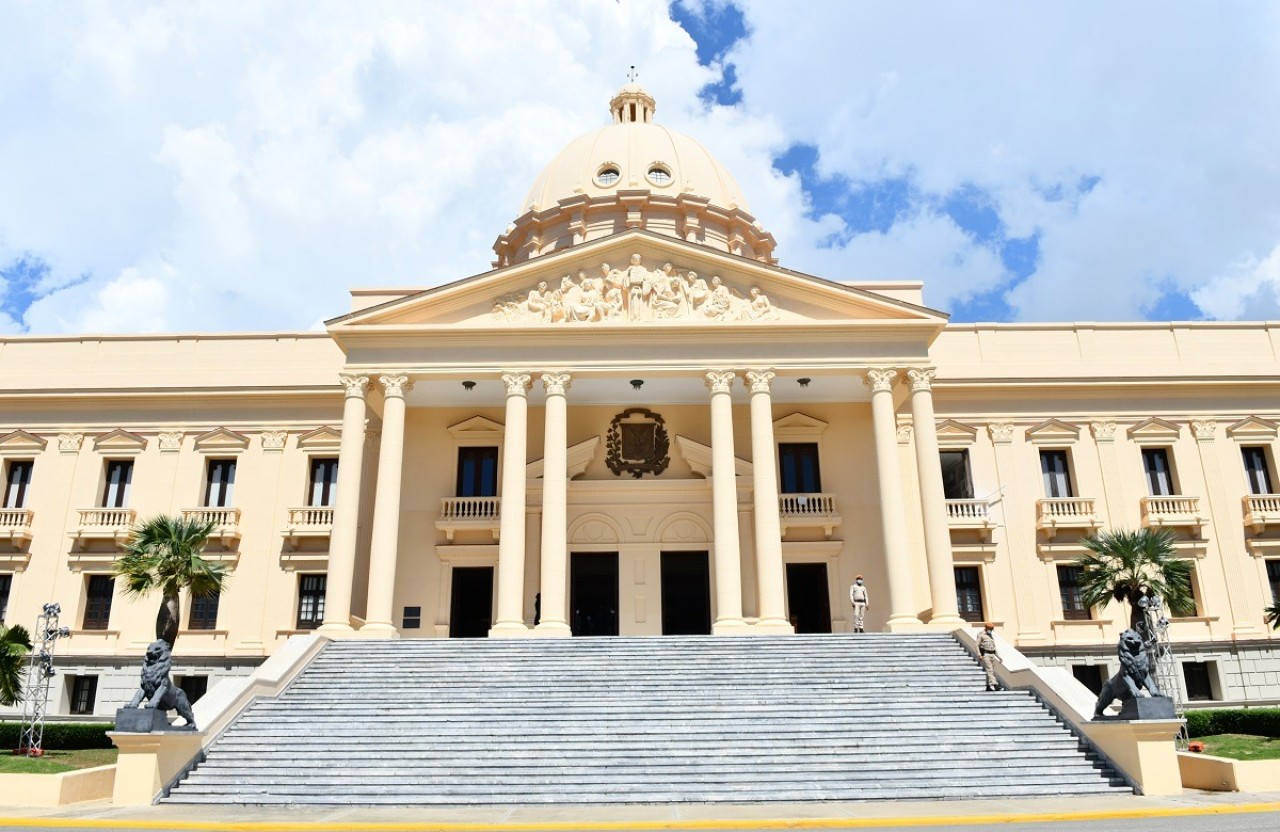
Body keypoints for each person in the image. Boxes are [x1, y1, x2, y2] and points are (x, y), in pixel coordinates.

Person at [978, 622, 1000, 691]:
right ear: (986, 628)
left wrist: (999, 657)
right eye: (990, 628)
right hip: (986, 654)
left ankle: (988, 686)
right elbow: (976, 645)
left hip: (992, 655)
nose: (991, 630)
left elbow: (993, 647)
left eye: (992, 629)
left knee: (989, 671)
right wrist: (979, 654)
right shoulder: (981, 635)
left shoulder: (990, 636)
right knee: (990, 670)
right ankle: (995, 685)